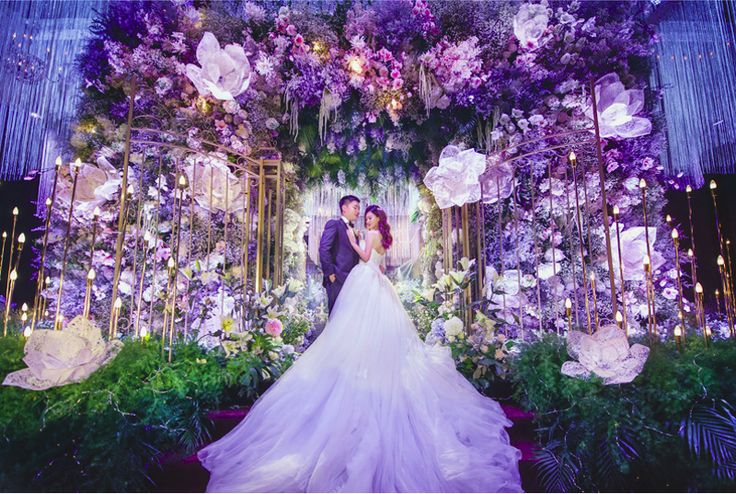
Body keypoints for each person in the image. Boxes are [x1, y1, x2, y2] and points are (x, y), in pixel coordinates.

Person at [197, 204, 522, 493]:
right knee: (369, 330)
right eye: (364, 215)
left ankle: (361, 367)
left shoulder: (367, 235)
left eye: (369, 217)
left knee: (358, 329)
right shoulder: (383, 237)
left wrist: (355, 242)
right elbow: (380, 265)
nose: (365, 220)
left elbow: (367, 259)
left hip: (365, 281)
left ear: (375, 221)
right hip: (377, 283)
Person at [318, 195, 361, 315]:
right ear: (344, 208)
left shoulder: (352, 229)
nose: (358, 211)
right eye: (355, 207)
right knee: (336, 316)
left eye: (359, 208)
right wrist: (330, 272)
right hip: (336, 278)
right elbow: (324, 249)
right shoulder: (334, 224)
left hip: (351, 279)